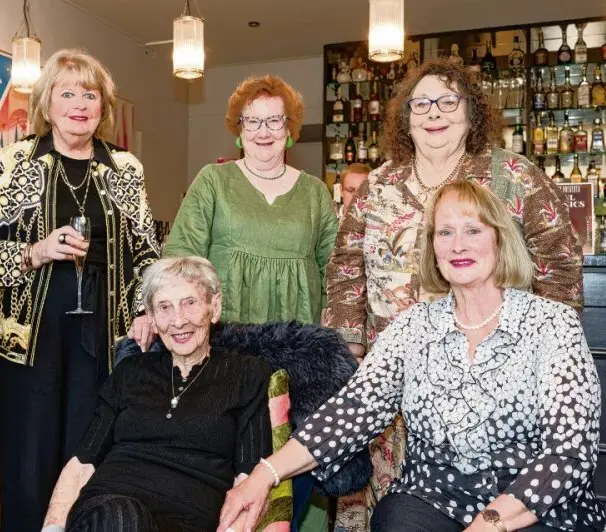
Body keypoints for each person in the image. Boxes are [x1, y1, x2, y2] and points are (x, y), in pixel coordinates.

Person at [219, 180, 606, 532]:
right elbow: (351, 412)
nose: (458, 245)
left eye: (473, 230)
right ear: (433, 247)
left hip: (536, 504)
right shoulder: (412, 327)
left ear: (500, 241)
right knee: (396, 517)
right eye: (445, 232)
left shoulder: (551, 323)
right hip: (435, 497)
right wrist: (264, 475)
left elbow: (569, 453)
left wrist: (488, 524)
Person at [323, 57, 583, 530]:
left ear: (471, 111)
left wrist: (541, 353)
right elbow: (345, 270)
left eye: (448, 101)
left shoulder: (514, 176)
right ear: (406, 117)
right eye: (421, 103)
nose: (434, 113)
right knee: (396, 510)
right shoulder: (377, 185)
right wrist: (349, 353)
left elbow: (559, 265)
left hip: (491, 383)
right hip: (388, 379)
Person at [0, 49, 160, 532]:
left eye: (90, 95)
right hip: (26, 333)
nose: (80, 104)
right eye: (68, 93)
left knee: (89, 448)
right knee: (28, 454)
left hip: (104, 326)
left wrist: (147, 308)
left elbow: (146, 251)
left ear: (103, 106)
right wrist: (34, 252)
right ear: (46, 103)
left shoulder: (125, 167)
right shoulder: (13, 162)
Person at [41, 256, 273, 532]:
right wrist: (53, 528)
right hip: (108, 512)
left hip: (187, 520)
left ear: (214, 306)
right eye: (164, 307)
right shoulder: (131, 371)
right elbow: (83, 462)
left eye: (189, 303)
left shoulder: (246, 374)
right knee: (122, 518)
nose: (178, 320)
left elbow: (251, 477)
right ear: (151, 318)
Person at [164, 74, 338, 326]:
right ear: (239, 127)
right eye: (252, 121)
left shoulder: (315, 192)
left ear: (289, 128)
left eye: (274, 121)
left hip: (298, 336)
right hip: (225, 334)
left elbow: (336, 271)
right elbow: (181, 259)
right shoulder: (213, 181)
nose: (263, 132)